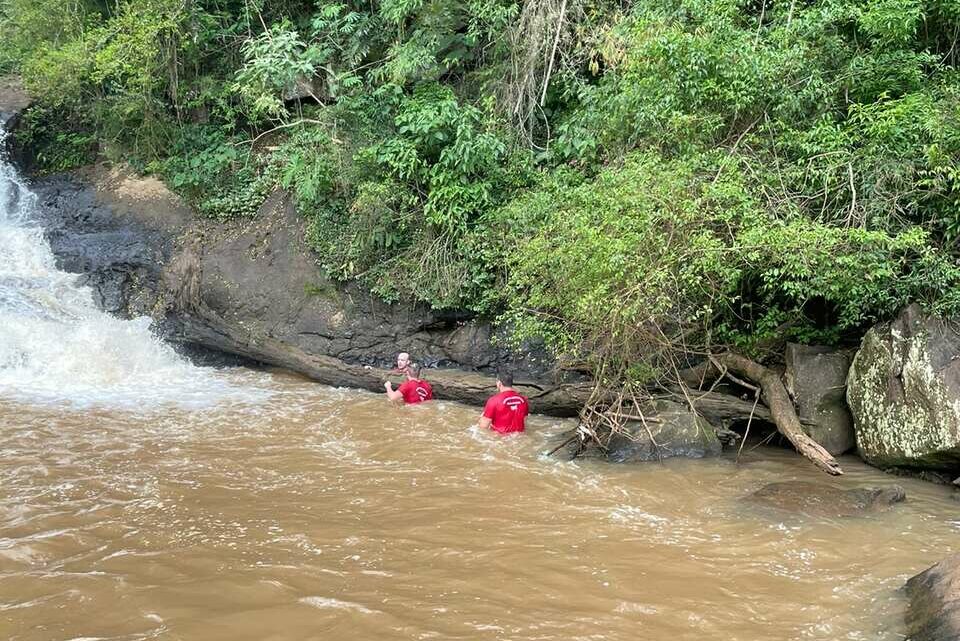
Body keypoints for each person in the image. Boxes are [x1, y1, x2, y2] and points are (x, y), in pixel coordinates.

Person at [479, 370, 529, 434]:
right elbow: (525, 423)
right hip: (518, 437)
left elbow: (483, 427)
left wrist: (481, 417)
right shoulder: (523, 400)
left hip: (499, 438)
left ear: (499, 383)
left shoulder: (493, 400)